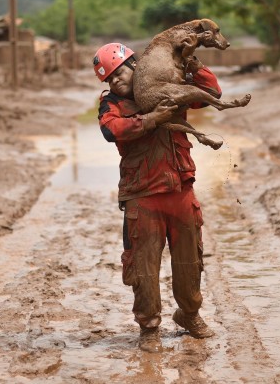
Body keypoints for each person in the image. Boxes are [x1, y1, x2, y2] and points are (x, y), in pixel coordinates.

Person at [93, 42, 221, 353]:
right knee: (144, 267)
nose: (114, 81)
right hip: (143, 196)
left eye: (118, 73)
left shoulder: (169, 87)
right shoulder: (110, 105)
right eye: (108, 79)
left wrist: (190, 63)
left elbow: (211, 91)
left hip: (181, 191)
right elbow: (113, 130)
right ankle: (149, 327)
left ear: (135, 66)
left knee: (190, 260)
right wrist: (152, 119)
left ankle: (189, 315)